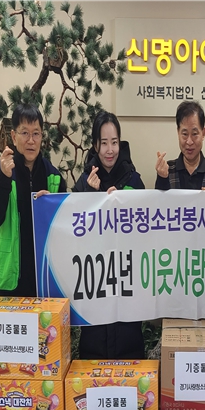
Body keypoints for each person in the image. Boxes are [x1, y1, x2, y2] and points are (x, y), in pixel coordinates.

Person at [72, 111, 145, 360]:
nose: (110, 150)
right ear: (95, 145)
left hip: (126, 277)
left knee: (128, 341)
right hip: (95, 279)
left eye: (114, 142)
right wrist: (92, 197)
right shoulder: (84, 181)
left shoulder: (133, 180)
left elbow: (145, 229)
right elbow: (73, 231)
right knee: (95, 346)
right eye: (104, 143)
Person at [0, 103, 67, 297]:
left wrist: (50, 208)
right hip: (10, 282)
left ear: (42, 136)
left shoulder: (53, 176)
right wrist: (2, 180)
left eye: (36, 133)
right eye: (24, 133)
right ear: (13, 136)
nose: (31, 140)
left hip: (46, 279)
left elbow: (64, 228)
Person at [155, 100, 205, 190]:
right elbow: (160, 199)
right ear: (178, 132)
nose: (189, 142)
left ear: (203, 133)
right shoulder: (167, 171)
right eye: (185, 134)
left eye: (194, 134)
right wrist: (162, 178)